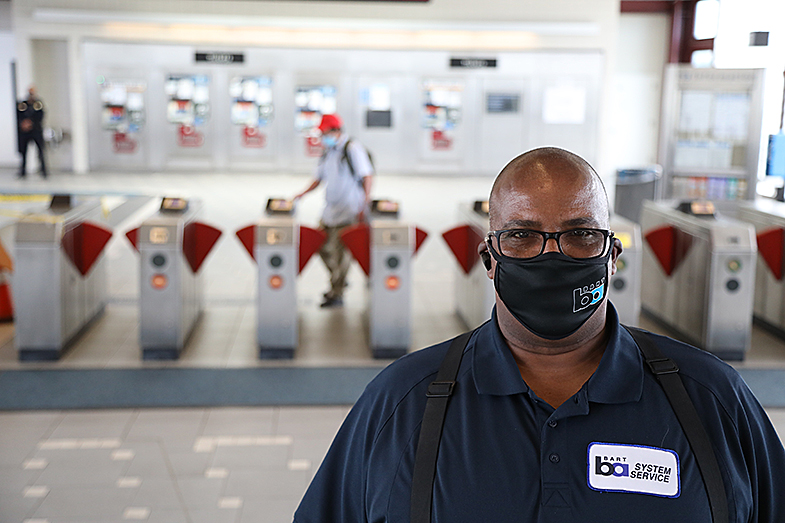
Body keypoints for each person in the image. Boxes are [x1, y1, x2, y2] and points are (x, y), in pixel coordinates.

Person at [293, 147, 785, 522]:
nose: (553, 255)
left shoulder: (712, 399)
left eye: (581, 233)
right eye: (523, 235)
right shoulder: (402, 403)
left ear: (612, 255)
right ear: (490, 260)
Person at [294, 113, 373, 308]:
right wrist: (301, 194)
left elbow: (367, 175)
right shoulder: (327, 151)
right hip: (330, 211)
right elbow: (318, 178)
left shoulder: (352, 148)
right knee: (317, 242)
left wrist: (364, 203)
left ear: (337, 131)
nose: (322, 137)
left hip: (349, 210)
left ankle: (336, 292)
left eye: (325, 132)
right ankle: (338, 278)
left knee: (341, 252)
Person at [16, 86, 48, 179]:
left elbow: (41, 116)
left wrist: (31, 123)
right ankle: (23, 172)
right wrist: (24, 124)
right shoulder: (23, 104)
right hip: (25, 132)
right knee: (24, 152)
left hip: (36, 131)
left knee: (40, 151)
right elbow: (19, 115)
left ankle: (44, 171)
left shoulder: (38, 104)